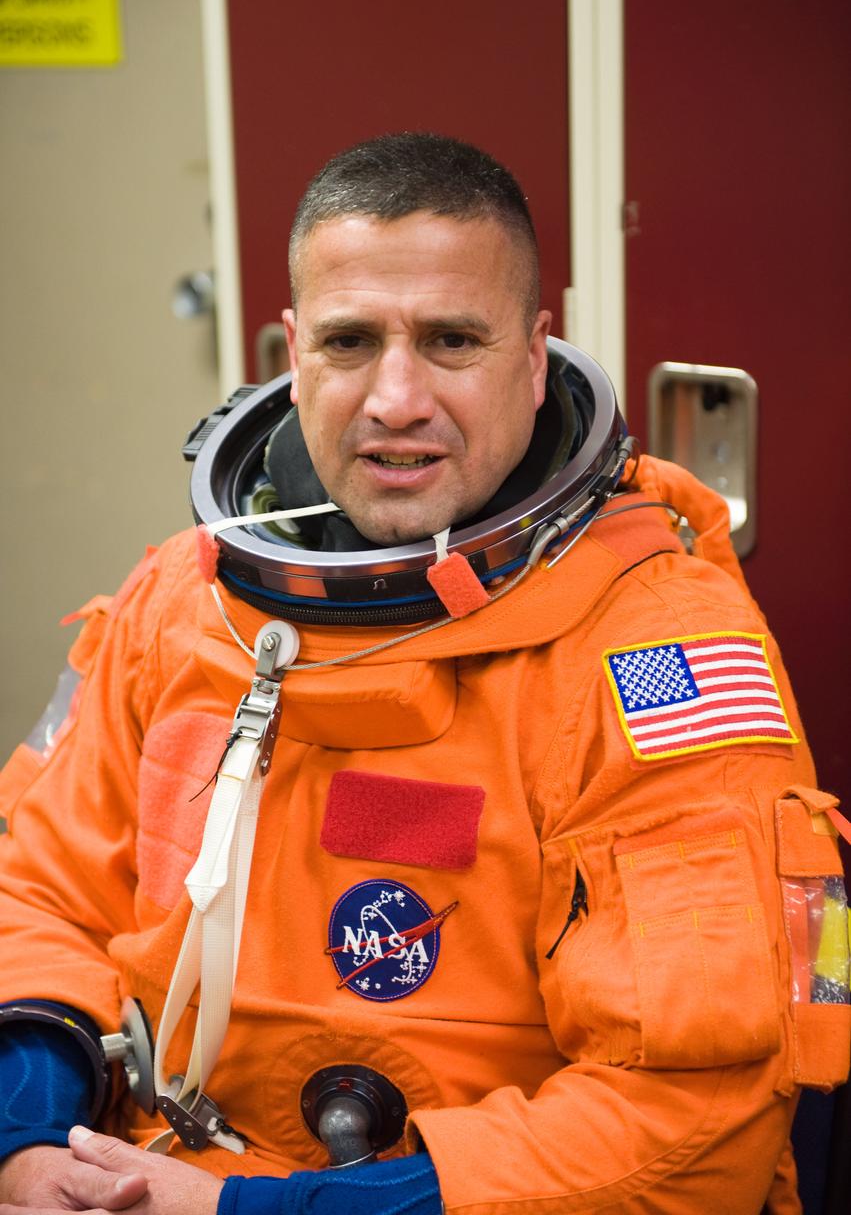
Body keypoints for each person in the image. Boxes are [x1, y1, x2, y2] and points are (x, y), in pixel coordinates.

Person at [0, 132, 848, 1215]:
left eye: (451, 340)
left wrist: (259, 1211)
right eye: (350, 342)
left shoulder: (655, 654)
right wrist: (28, 1142)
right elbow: (37, 891)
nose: (395, 399)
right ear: (292, 351)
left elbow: (692, 1127)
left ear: (535, 356)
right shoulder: (184, 600)